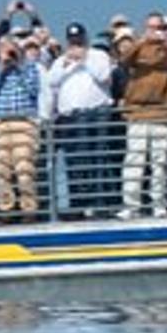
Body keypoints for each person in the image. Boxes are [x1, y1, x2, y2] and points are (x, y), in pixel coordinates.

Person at [44, 21, 117, 218]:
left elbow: (103, 76)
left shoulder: (98, 55)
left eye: (79, 40)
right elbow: (51, 81)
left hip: (97, 112)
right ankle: (79, 203)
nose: (75, 44)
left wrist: (84, 59)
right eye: (72, 41)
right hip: (72, 117)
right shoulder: (61, 61)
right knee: (76, 161)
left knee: (99, 157)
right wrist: (65, 64)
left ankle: (101, 202)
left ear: (85, 38)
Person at [120, 12, 167, 217]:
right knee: (134, 161)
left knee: (159, 163)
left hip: (162, 111)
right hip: (137, 111)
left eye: (158, 27)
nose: (155, 32)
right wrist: (141, 42)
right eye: (151, 27)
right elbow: (124, 61)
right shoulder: (138, 47)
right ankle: (131, 206)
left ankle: (158, 204)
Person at [0, 34, 43, 222]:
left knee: (25, 168)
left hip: (24, 121)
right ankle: (6, 209)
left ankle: (29, 209)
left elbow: (33, 89)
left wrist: (18, 65)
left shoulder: (29, 67)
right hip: (0, 123)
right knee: (2, 170)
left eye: (10, 46)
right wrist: (2, 68)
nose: (7, 50)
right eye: (3, 47)